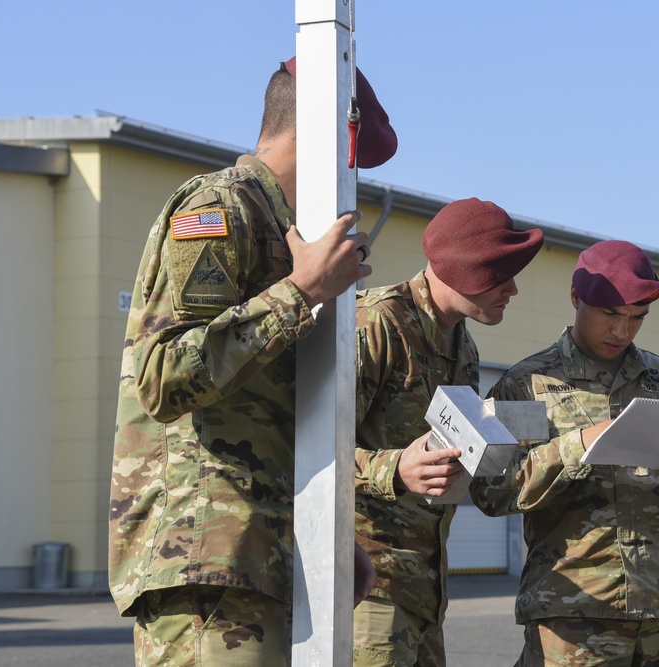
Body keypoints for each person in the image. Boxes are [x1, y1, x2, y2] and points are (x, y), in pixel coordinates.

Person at [108, 56, 397, 667]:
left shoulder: (281, 227)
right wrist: (301, 294)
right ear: (320, 137)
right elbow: (162, 378)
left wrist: (331, 532)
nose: (351, 181)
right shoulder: (221, 207)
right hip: (207, 555)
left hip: (259, 550)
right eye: (351, 161)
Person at [470, 239, 659, 667]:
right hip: (573, 613)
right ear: (576, 298)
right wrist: (581, 444)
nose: (621, 331)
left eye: (636, 318)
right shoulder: (527, 384)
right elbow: (491, 490)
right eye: (610, 314)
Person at [351, 197, 544, 666]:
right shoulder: (377, 324)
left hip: (426, 586)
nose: (513, 290)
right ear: (467, 268)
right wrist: (395, 468)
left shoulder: (463, 346)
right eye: (502, 273)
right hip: (367, 587)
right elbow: (305, 449)